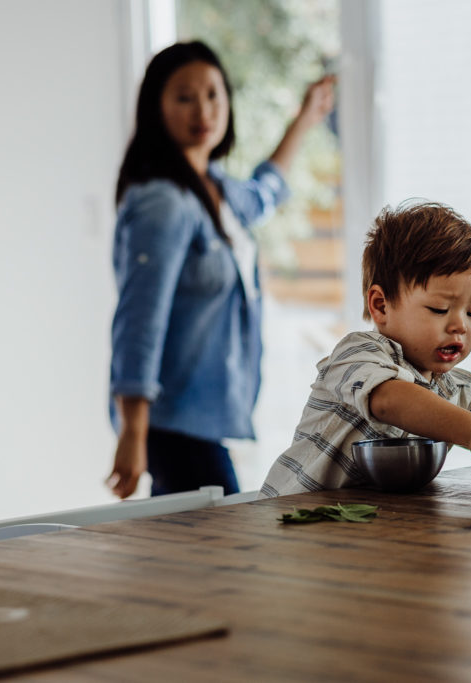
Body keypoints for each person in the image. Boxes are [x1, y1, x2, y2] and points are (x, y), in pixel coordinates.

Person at [107, 41, 335, 499]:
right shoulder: (164, 203)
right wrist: (132, 432)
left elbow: (264, 192)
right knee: (220, 549)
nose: (203, 110)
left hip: (202, 422)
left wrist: (305, 119)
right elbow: (139, 320)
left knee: (192, 560)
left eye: (213, 94)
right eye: (184, 96)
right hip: (172, 424)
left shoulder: (216, 191)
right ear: (157, 108)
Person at [259, 201, 471, 498]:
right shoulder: (358, 353)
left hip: (359, 532)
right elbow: (389, 400)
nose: (460, 326)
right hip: (290, 518)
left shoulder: (454, 390)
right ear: (381, 306)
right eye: (440, 309)